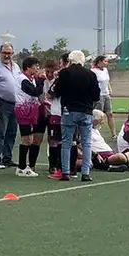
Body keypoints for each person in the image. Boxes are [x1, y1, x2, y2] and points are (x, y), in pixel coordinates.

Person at [50, 50, 100, 182]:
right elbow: (96, 95)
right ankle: (85, 172)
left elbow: (58, 91)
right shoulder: (91, 74)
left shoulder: (65, 73)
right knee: (86, 143)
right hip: (86, 111)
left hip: (69, 110)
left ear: (70, 60)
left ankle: (65, 172)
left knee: (66, 142)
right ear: (83, 60)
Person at [0, 42, 23, 168]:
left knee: (12, 132)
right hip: (1, 102)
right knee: (0, 131)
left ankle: (7, 157)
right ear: (0, 52)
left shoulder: (16, 66)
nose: (7, 55)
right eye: (4, 53)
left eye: (9, 53)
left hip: (15, 103)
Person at [13, 56, 46, 177]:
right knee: (25, 138)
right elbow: (34, 91)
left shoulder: (31, 78)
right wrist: (41, 81)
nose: (37, 68)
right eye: (35, 66)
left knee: (30, 138)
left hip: (31, 110)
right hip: (24, 110)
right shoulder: (22, 79)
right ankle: (21, 167)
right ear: (28, 67)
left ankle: (24, 165)